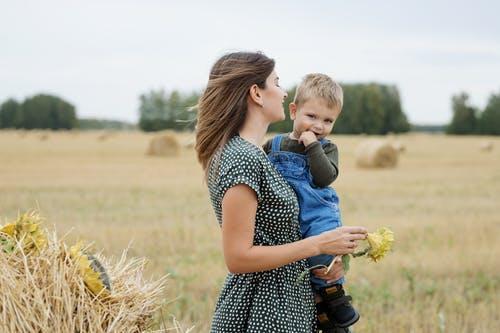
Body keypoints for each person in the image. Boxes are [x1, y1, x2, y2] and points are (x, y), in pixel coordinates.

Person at [195, 51, 367, 333]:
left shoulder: (255, 154)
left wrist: (325, 262)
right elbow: (238, 257)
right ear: (257, 94)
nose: (284, 92)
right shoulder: (243, 157)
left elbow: (281, 233)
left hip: (287, 299)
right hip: (265, 308)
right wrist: (319, 245)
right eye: (276, 82)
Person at [263, 73, 358, 330]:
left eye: (328, 120)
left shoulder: (327, 148)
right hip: (288, 214)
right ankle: (319, 308)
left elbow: (325, 177)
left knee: (322, 260)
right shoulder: (275, 144)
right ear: (293, 111)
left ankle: (334, 298)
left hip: (317, 212)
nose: (319, 126)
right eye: (312, 117)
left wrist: (313, 146)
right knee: (299, 263)